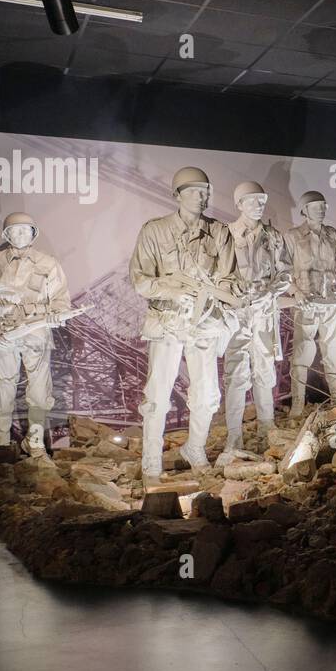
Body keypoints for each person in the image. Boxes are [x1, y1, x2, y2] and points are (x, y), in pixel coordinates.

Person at [129, 167, 239, 483]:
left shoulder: (220, 233)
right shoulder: (155, 231)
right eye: (192, 191)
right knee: (158, 395)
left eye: (205, 190)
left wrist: (211, 293)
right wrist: (175, 289)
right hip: (167, 321)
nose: (200, 197)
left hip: (204, 322)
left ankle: (196, 449)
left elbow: (230, 280)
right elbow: (141, 280)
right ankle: (151, 462)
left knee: (207, 394)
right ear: (177, 195)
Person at [0, 212, 71, 453]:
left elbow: (60, 300)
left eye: (26, 230)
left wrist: (56, 315)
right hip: (3, 335)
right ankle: (2, 445)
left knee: (39, 390)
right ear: (6, 235)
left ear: (34, 233)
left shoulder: (49, 264)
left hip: (36, 334)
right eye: (15, 230)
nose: (21, 234)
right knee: (2, 389)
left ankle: (35, 444)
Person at [218, 181, 292, 465]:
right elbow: (219, 272)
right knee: (235, 374)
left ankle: (267, 428)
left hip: (263, 311)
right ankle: (234, 437)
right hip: (236, 312)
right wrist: (231, 295)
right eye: (252, 201)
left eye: (262, 200)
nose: (258, 205)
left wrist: (269, 294)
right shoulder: (226, 235)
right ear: (239, 204)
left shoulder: (273, 236)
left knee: (265, 370)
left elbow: (284, 273)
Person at [284, 190, 336, 418]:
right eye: (315, 206)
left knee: (334, 350)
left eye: (323, 206)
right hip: (306, 302)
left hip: (329, 302)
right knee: (303, 353)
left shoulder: (333, 236)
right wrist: (294, 291)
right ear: (304, 210)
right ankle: (297, 405)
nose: (321, 210)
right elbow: (282, 270)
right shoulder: (293, 237)